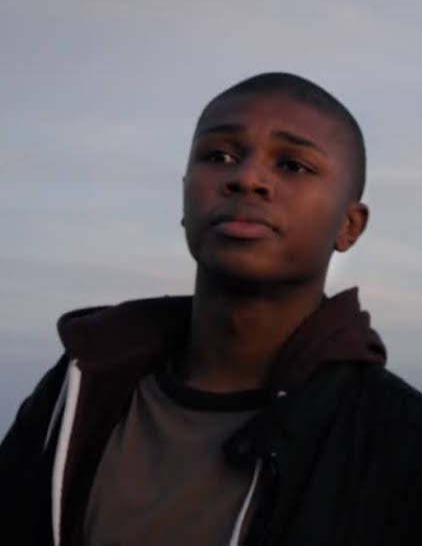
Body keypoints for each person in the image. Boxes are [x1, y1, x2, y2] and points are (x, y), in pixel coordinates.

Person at [1, 73, 421, 546]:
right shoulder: (80, 385)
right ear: (185, 198)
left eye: (293, 165)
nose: (246, 179)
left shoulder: (398, 440)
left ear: (349, 225)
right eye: (219, 157)